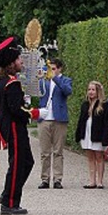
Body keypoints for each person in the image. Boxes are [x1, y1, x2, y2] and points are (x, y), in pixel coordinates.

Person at [0, 36, 39, 215]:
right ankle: (9, 202)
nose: (21, 62)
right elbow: (16, 108)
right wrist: (33, 113)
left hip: (11, 126)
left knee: (27, 162)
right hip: (13, 126)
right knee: (18, 164)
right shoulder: (11, 83)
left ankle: (9, 196)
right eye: (19, 59)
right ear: (12, 63)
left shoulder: (4, 81)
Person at [36, 58, 73, 189]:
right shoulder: (44, 81)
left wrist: (55, 78)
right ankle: (45, 178)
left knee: (58, 151)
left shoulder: (65, 80)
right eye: (50, 68)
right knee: (45, 152)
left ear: (59, 69)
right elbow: (36, 94)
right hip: (44, 118)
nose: (51, 71)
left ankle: (58, 178)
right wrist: (39, 79)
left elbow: (67, 91)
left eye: (54, 68)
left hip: (59, 119)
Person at [75, 81, 108, 188]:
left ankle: (100, 181)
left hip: (98, 135)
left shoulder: (104, 105)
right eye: (89, 89)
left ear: (98, 91)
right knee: (90, 157)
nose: (91, 92)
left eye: (93, 90)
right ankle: (92, 180)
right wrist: (78, 134)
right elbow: (81, 120)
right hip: (87, 133)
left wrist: (106, 137)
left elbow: (107, 122)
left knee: (99, 157)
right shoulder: (85, 105)